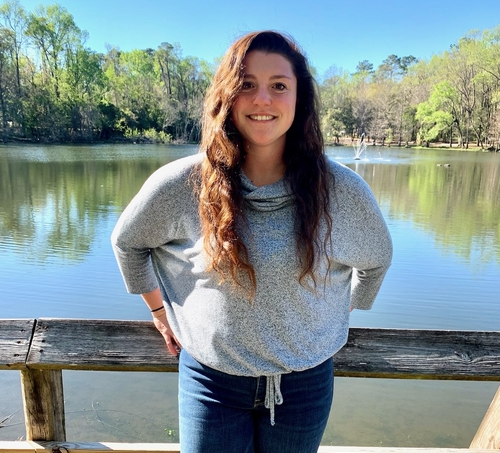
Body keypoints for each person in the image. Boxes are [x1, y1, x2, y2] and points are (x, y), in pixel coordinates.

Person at [111, 30, 393, 453]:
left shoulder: (342, 190)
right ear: (227, 95)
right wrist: (158, 309)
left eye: (279, 86)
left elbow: (377, 259)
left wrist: (335, 312)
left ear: (300, 100)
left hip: (304, 387)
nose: (262, 99)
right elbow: (128, 243)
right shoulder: (182, 183)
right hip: (210, 384)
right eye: (246, 85)